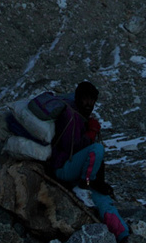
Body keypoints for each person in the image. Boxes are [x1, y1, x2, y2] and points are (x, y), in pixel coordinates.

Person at [49, 81, 129, 242]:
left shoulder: (82, 117)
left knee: (104, 200)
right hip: (63, 168)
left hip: (76, 169)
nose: (89, 104)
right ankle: (84, 186)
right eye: (85, 99)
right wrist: (91, 132)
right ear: (78, 99)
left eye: (92, 100)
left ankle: (123, 235)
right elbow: (70, 146)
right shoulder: (70, 116)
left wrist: (101, 183)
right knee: (97, 149)